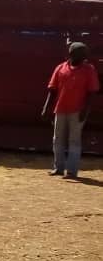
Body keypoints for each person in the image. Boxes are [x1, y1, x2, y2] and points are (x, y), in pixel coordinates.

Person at [42, 42, 100, 179]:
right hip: (60, 109)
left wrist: (85, 111)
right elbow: (52, 89)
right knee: (58, 139)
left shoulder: (89, 69)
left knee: (74, 140)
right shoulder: (61, 68)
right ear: (72, 54)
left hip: (77, 111)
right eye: (82, 53)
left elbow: (92, 92)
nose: (85, 56)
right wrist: (46, 107)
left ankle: (72, 171)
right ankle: (58, 168)